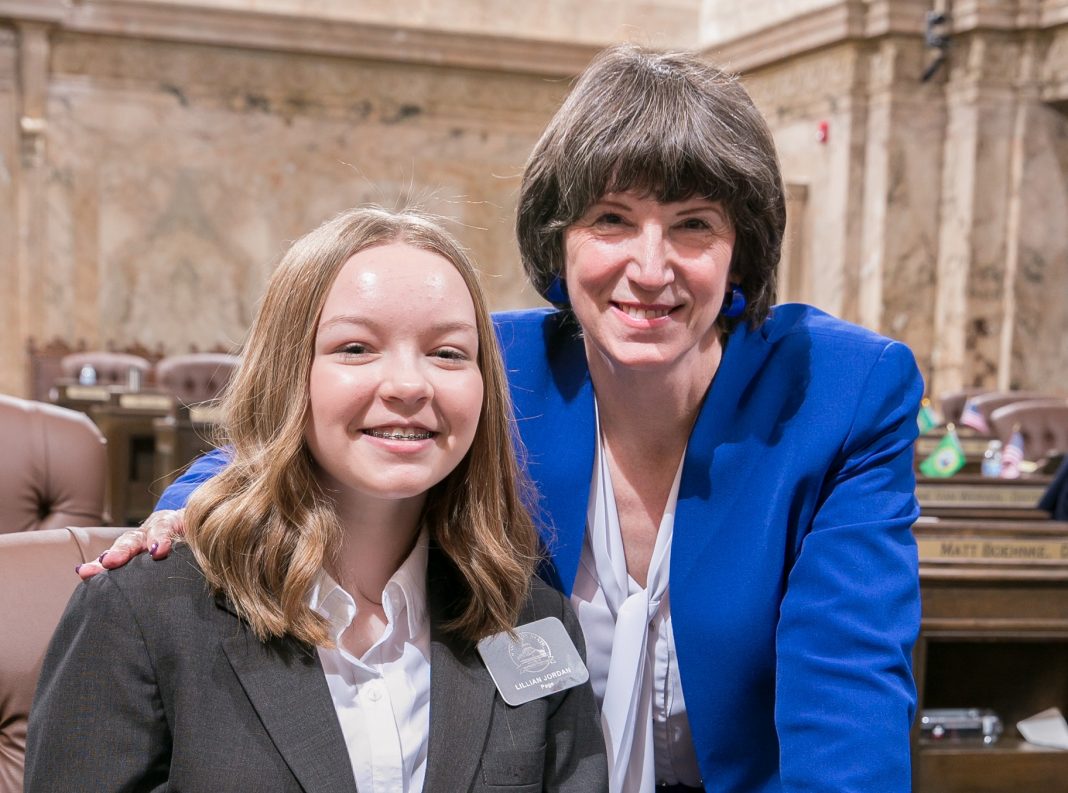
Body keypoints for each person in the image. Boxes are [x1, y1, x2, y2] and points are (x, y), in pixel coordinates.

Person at [79, 45, 923, 793]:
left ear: (743, 247)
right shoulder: (489, 366)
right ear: (562, 240)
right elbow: (300, 430)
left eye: (695, 224)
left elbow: (846, 697)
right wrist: (185, 505)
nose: (651, 265)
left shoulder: (840, 390)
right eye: (612, 219)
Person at [27, 207, 608, 792]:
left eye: (449, 353)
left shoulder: (531, 617)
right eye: (355, 348)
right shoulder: (140, 611)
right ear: (287, 373)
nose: (409, 384)